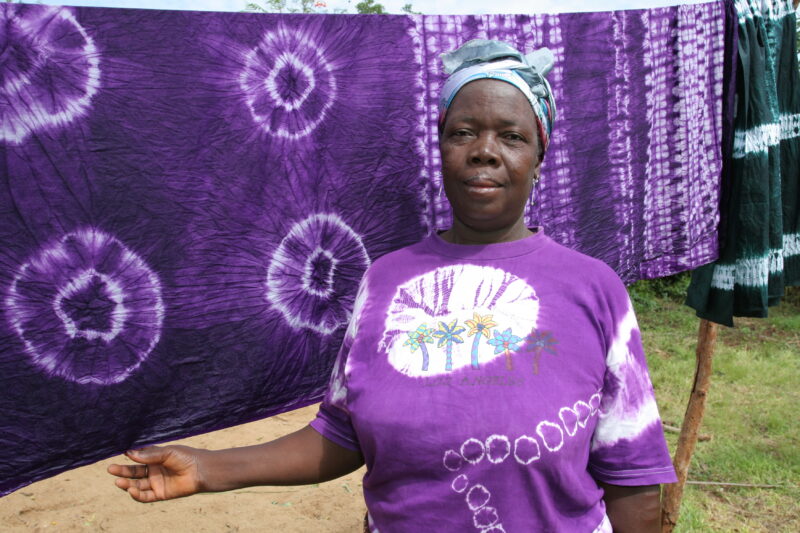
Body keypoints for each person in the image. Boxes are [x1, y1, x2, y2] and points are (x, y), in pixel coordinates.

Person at [109, 39, 677, 532]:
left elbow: (633, 476)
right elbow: (342, 432)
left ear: (538, 155)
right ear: (442, 148)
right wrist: (210, 468)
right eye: (463, 132)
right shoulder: (386, 280)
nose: (485, 150)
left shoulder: (593, 289)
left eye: (511, 136)